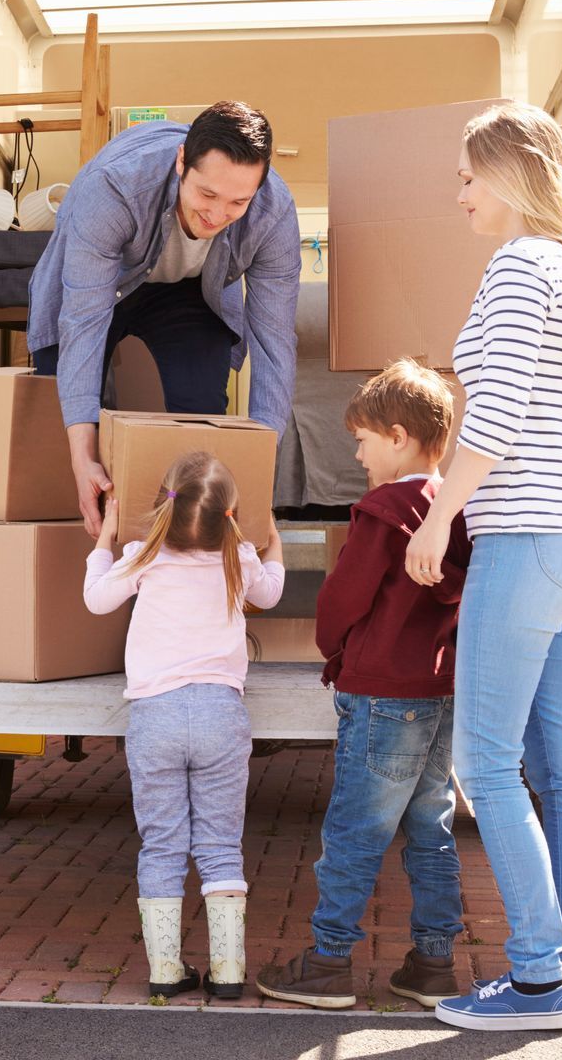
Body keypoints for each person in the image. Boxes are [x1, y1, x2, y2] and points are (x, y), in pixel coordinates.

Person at [404, 102, 562, 1032]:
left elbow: (493, 417)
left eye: (467, 176)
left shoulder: (516, 266)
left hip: (529, 541)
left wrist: (439, 518)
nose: (459, 194)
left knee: (484, 762)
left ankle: (536, 979)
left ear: (508, 173)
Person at [256, 360, 472, 1011]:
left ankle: (326, 964)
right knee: (431, 829)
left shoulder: (382, 512)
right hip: (437, 694)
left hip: (380, 695)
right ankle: (433, 965)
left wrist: (335, 651)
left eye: (363, 438)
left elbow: (341, 600)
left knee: (354, 830)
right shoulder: (452, 511)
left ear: (399, 437)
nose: (355, 451)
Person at [27, 102, 302, 536]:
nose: (216, 215)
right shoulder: (115, 188)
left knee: (202, 406)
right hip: (102, 284)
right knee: (66, 421)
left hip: (189, 292)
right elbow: (82, 321)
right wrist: (82, 454)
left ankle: (186, 551)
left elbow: (274, 342)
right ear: (181, 162)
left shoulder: (273, 212)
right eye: (207, 194)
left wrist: (257, 474)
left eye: (237, 202)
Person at [82, 451, 285, 1001]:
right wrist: (272, 541)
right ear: (233, 514)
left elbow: (96, 599)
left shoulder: (142, 556)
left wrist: (104, 541)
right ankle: (228, 970)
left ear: (161, 506)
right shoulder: (238, 558)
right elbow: (271, 592)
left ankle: (166, 970)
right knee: (221, 844)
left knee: (163, 845)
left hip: (156, 716)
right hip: (222, 714)